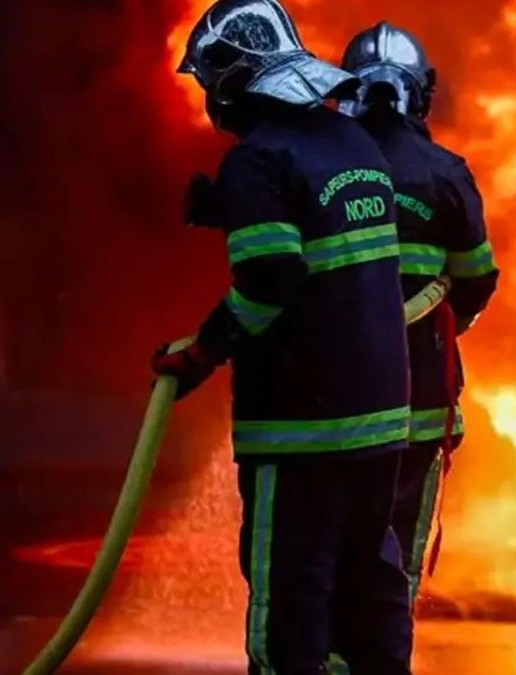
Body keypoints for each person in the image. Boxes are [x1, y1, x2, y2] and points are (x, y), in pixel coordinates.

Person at [153, 2, 411, 673]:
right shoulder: (355, 143)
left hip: (303, 432)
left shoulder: (257, 160)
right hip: (380, 422)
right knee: (366, 598)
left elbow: (271, 281)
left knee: (291, 607)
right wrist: (227, 209)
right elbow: (325, 235)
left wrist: (204, 351)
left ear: (231, 79)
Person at [329, 21, 500, 671]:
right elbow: (477, 281)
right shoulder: (444, 174)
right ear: (420, 94)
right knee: (394, 552)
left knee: (322, 550)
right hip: (417, 404)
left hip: (327, 410)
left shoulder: (316, 167)